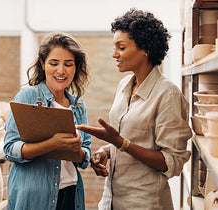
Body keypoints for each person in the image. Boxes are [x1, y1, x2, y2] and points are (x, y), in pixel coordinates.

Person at [76, 9, 192, 210]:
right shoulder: (124, 85)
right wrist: (106, 151)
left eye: (121, 47)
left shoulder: (168, 94)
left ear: (145, 48)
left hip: (144, 203)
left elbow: (172, 163)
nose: (114, 54)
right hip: (112, 200)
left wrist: (120, 143)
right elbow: (128, 140)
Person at [3, 32, 92, 210]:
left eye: (68, 64)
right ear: (43, 64)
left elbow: (85, 157)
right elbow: (10, 150)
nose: (61, 70)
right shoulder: (28, 96)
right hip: (34, 197)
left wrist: (79, 150)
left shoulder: (78, 104)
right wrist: (52, 144)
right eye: (54, 63)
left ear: (76, 68)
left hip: (71, 194)